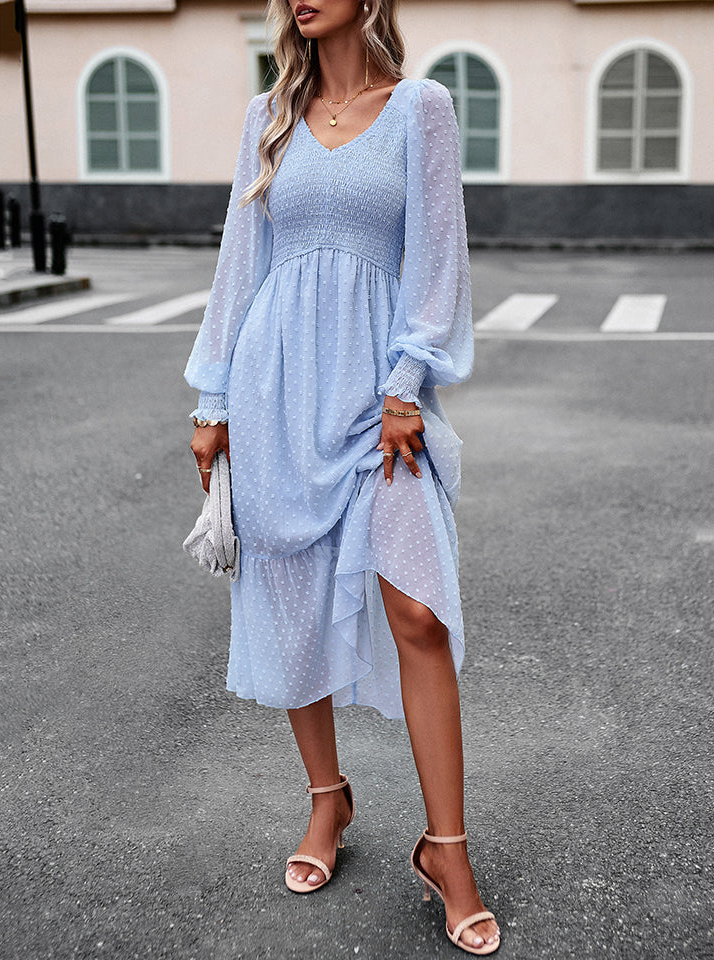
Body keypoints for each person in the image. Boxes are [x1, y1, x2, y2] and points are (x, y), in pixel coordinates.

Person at [185, 0, 500, 954]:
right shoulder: (268, 114)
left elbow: (438, 257)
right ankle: (328, 799)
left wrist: (407, 383)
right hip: (275, 388)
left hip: (377, 397)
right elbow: (241, 262)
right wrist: (214, 399)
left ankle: (447, 849)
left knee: (419, 613)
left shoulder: (421, 109)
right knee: (289, 599)